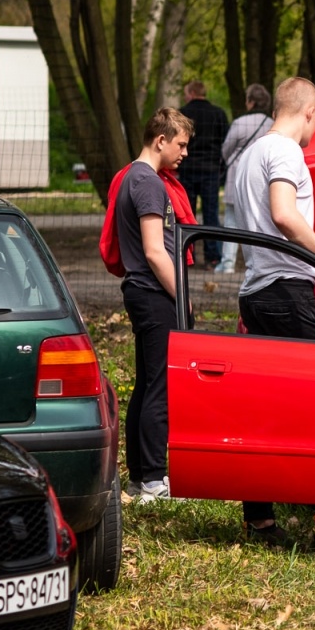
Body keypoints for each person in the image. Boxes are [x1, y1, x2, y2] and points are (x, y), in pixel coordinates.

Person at [230, 77, 315, 543]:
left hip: (255, 290)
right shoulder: (285, 151)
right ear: (310, 112)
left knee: (264, 407)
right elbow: (283, 213)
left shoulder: (247, 156)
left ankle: (260, 518)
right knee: (311, 406)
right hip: (286, 289)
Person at [114, 107, 194, 502]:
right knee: (159, 388)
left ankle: (140, 477)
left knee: (147, 384)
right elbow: (155, 251)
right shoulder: (148, 184)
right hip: (152, 291)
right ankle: (152, 481)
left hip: (140, 291)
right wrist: (185, 299)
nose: (184, 153)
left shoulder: (134, 176)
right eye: (180, 144)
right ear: (160, 140)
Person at [219, 83, 274, 274]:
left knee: (231, 222)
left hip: (236, 177)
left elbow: (226, 150)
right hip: (262, 180)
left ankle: (227, 264)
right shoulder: (271, 124)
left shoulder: (239, 123)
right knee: (259, 223)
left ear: (250, 101)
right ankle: (261, 265)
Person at [176, 80, 229, 268]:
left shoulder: (182, 113)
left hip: (187, 168)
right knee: (211, 215)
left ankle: (186, 255)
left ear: (191, 93)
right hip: (211, 170)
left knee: (185, 215)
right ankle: (212, 257)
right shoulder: (218, 114)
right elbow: (226, 143)